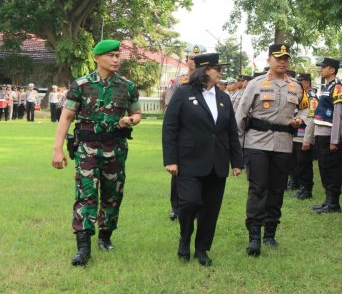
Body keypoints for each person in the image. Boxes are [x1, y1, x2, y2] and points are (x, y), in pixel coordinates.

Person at [51, 40, 141, 266]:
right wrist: (57, 149)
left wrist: (130, 120)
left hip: (116, 149)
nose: (116, 59)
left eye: (118, 55)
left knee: (113, 195)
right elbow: (66, 117)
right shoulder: (81, 85)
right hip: (87, 149)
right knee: (86, 194)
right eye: (111, 55)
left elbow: (137, 113)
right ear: (97, 58)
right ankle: (83, 248)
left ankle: (105, 236)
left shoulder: (127, 86)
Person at [162, 53, 244, 266]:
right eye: (217, 68)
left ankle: (202, 248)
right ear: (204, 70)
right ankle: (185, 237)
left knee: (210, 209)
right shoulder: (184, 93)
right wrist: (170, 160)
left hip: (217, 161)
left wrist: (237, 161)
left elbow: (231, 131)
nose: (220, 72)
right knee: (189, 202)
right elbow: (170, 127)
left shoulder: (224, 98)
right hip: (188, 160)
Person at [236, 43, 307, 255]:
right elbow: (240, 115)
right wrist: (237, 149)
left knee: (277, 189)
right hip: (257, 143)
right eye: (278, 58)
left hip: (283, 144)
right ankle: (254, 236)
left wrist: (299, 119)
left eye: (285, 58)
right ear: (269, 60)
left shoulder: (296, 86)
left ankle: (270, 233)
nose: (282, 62)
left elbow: (306, 109)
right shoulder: (256, 84)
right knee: (258, 189)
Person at [304, 57, 342, 213]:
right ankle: (328, 200)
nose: (321, 70)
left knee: (332, 169)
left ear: (332, 70)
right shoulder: (328, 86)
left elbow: (338, 114)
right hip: (321, 133)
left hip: (329, 134)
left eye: (324, 67)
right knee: (324, 168)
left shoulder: (338, 86)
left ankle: (334, 203)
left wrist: (335, 139)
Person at [164, 46, 201, 221]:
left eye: (198, 58)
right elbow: (170, 106)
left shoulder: (209, 81)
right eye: (192, 58)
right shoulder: (179, 81)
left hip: (202, 133)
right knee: (178, 171)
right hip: (182, 132)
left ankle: (197, 206)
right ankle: (176, 206)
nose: (194, 61)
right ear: (187, 61)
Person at [292, 73, 316, 200]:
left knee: (305, 164)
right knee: (297, 164)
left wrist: (307, 140)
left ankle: (307, 189)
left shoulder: (311, 97)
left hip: (304, 136)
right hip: (296, 135)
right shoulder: (301, 96)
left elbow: (311, 119)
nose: (297, 85)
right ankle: (300, 186)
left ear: (306, 82)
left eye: (300, 82)